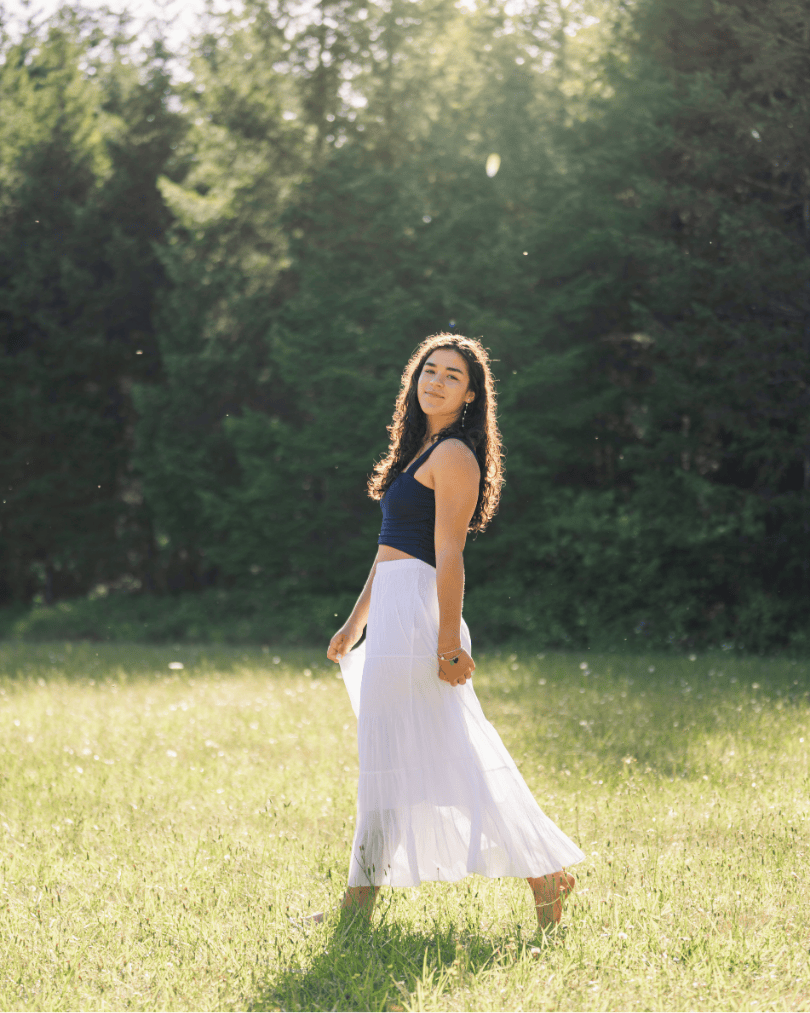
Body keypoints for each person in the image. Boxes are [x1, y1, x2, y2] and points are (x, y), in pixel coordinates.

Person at [325, 333, 584, 930]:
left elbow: (448, 552)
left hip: (420, 615)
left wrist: (447, 642)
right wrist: (354, 624)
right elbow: (387, 552)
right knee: (389, 757)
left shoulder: (454, 456)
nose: (436, 381)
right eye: (429, 370)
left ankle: (544, 875)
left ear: (470, 395)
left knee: (450, 755)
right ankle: (358, 908)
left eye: (452, 376)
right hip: (391, 611)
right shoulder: (419, 452)